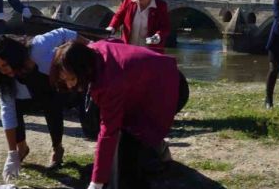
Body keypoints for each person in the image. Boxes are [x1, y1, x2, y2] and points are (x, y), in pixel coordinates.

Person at [50, 40, 189, 189]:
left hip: (170, 86)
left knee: (130, 148)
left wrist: (96, 183)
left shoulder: (110, 81)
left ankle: (156, 157)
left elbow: (108, 132)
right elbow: (118, 42)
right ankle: (159, 153)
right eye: (65, 79)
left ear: (84, 68)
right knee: (130, 132)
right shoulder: (93, 50)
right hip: (150, 82)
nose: (70, 85)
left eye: (72, 79)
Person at [0, 29, 91, 182]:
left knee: (52, 106)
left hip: (53, 88)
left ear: (15, 57)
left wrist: (91, 46)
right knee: (14, 109)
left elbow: (64, 33)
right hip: (26, 100)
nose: (3, 70)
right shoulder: (3, 78)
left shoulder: (38, 47)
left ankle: (57, 148)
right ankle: (22, 148)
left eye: (5, 65)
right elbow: (7, 111)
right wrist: (11, 153)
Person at [106, 0, 171, 47]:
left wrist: (157, 36)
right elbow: (119, 16)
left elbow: (165, 27)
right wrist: (111, 27)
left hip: (149, 52)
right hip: (128, 49)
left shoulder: (160, 6)